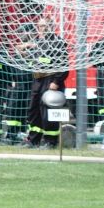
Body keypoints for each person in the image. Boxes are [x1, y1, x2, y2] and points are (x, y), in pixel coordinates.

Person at [16, 19, 69, 148]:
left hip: (50, 80)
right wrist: (24, 55)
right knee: (34, 111)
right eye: (39, 26)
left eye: (44, 26)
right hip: (38, 81)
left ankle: (51, 141)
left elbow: (63, 65)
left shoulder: (57, 43)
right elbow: (35, 60)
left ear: (51, 26)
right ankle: (33, 140)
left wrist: (56, 81)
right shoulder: (39, 42)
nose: (41, 28)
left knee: (48, 112)